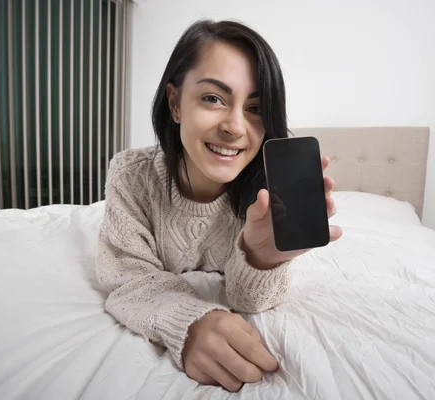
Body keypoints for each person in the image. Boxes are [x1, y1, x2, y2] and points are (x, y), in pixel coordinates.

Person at [95, 19, 342, 392]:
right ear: (176, 102)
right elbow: (125, 277)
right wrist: (189, 321)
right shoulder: (131, 176)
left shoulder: (267, 194)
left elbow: (246, 299)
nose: (235, 127)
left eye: (256, 107)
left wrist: (261, 258)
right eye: (214, 98)